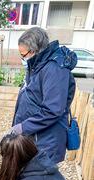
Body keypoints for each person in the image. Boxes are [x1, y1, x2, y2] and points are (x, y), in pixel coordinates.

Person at [9, 27, 77, 164]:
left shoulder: (54, 69)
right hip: (35, 136)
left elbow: (53, 110)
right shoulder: (38, 64)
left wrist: (24, 127)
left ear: (35, 50)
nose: (23, 58)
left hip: (46, 141)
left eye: (24, 54)